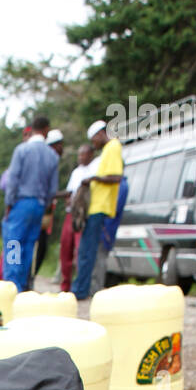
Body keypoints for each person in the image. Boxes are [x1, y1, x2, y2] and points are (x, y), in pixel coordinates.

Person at [1, 114, 58, 291]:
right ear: (46, 130)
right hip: (39, 205)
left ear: (32, 129)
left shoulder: (22, 150)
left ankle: (11, 285)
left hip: (21, 203)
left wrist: (9, 204)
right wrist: (45, 205)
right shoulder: (52, 156)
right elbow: (52, 189)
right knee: (28, 246)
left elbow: (13, 180)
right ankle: (23, 287)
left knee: (14, 243)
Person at [72, 118, 124, 300]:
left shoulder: (113, 147)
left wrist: (92, 179)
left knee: (87, 251)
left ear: (100, 134)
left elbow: (116, 177)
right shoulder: (107, 151)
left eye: (93, 140)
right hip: (95, 206)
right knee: (85, 250)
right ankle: (80, 287)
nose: (93, 144)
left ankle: (80, 290)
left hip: (100, 207)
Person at [59, 143, 93, 291]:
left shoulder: (94, 169)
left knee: (80, 250)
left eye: (83, 154)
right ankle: (65, 283)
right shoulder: (76, 172)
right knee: (65, 247)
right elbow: (70, 192)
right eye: (79, 154)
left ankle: (79, 284)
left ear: (90, 155)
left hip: (82, 215)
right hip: (70, 214)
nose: (80, 157)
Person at [32, 128, 64, 282]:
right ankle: (15, 279)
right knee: (20, 245)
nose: (61, 148)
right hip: (31, 208)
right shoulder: (46, 159)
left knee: (35, 246)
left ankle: (24, 278)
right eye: (59, 145)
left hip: (35, 209)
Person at [90, 173, 129, 296]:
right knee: (96, 257)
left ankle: (96, 288)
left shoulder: (121, 185)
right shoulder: (117, 184)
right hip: (103, 225)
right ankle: (93, 287)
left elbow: (115, 207)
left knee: (100, 257)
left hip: (108, 226)